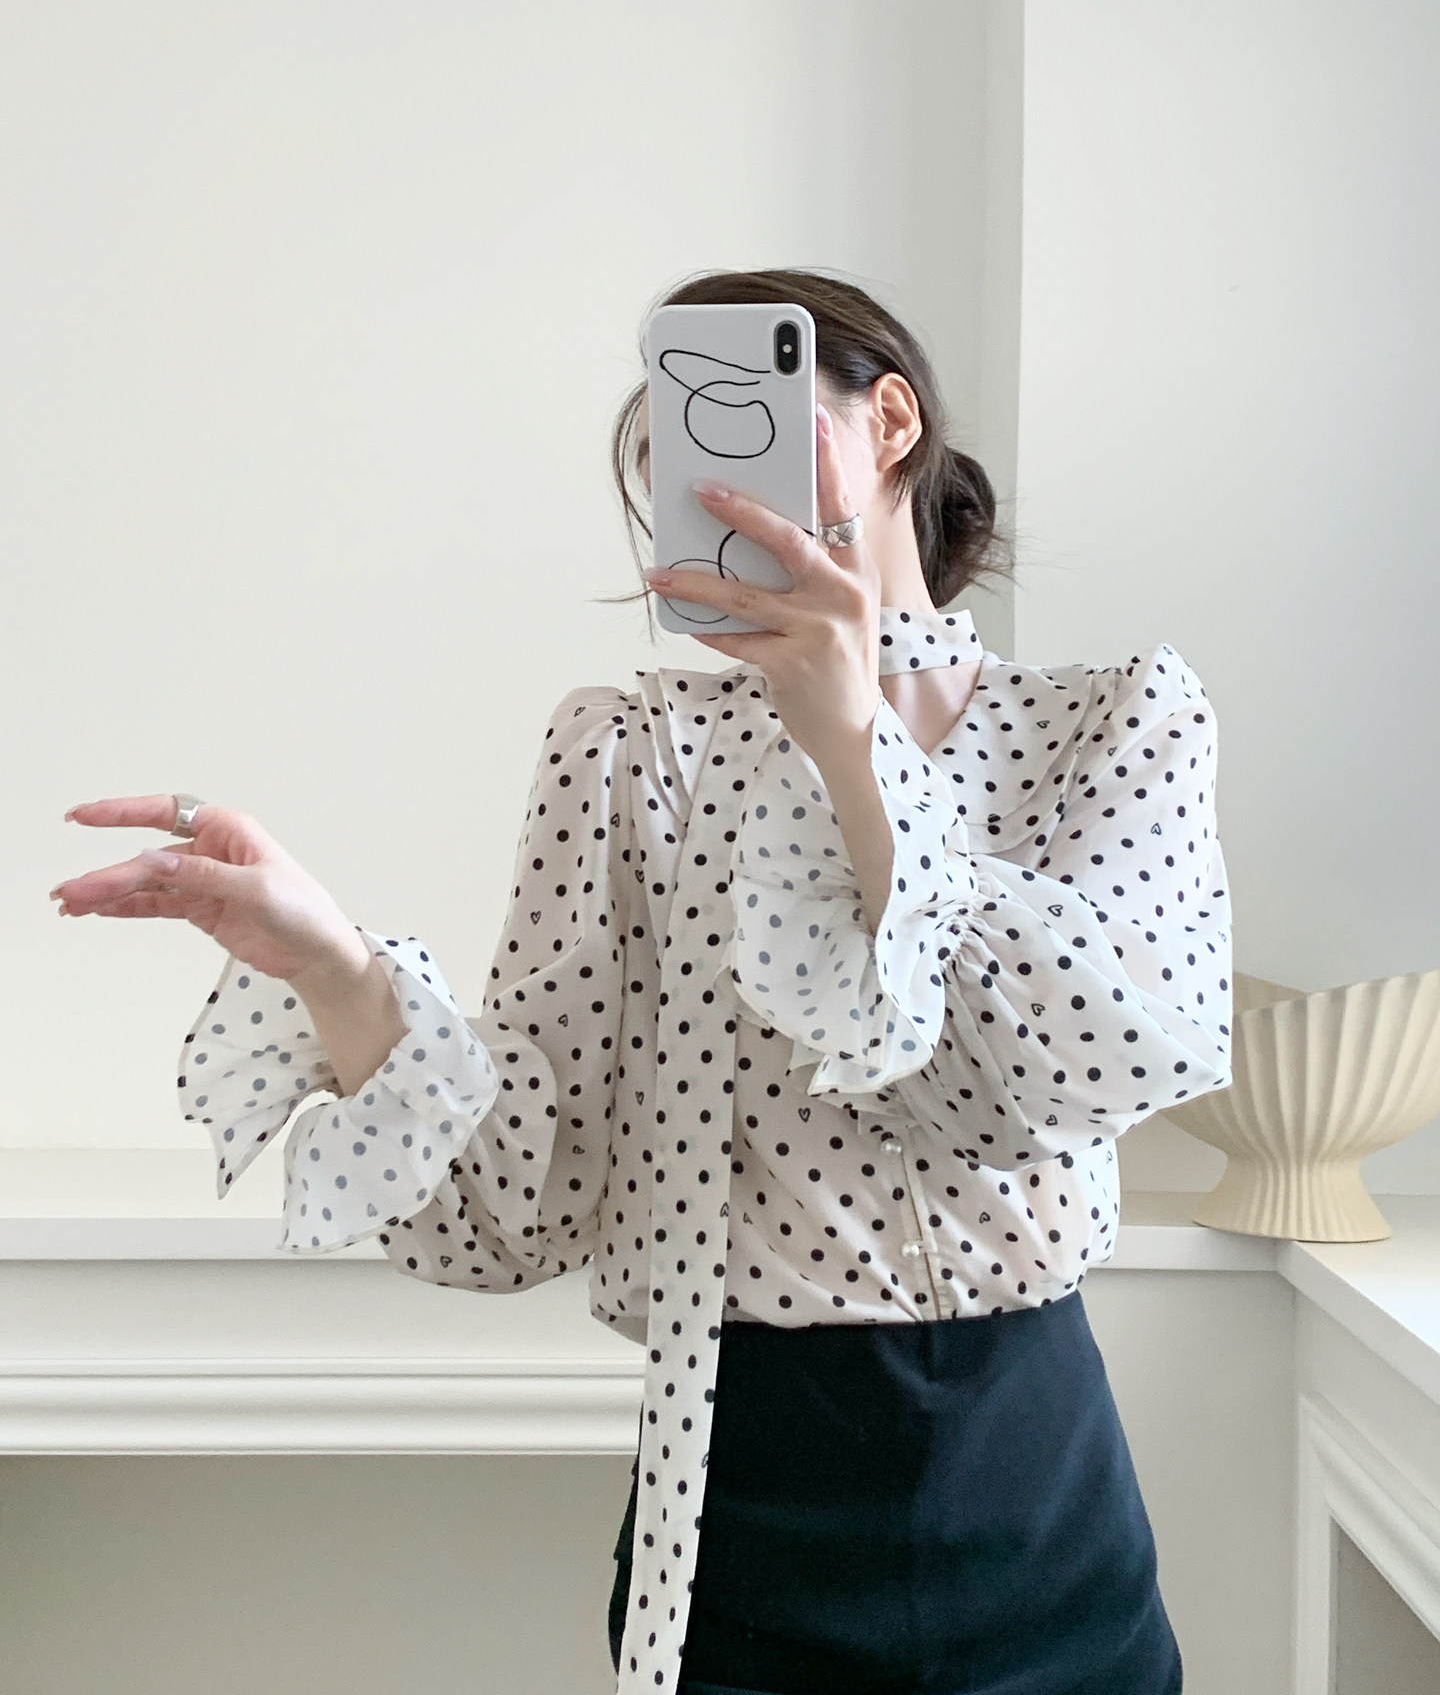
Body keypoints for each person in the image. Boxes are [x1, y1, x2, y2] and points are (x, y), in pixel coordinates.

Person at [51, 269, 1231, 1695]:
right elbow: (522, 1210)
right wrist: (338, 973)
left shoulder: (1112, 725)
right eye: (684, 466)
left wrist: (857, 745)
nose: (720, 489)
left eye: (753, 426)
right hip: (741, 1503)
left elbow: (1065, 1080)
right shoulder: (629, 756)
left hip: (1037, 1486)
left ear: (892, 420)